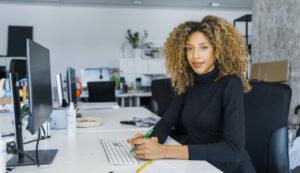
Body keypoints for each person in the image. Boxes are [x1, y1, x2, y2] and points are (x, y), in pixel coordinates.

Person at [127, 15, 256, 173]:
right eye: (189, 48)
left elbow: (233, 150)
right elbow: (166, 122)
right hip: (198, 165)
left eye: (204, 47)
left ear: (217, 50)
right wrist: (148, 141)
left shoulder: (231, 83)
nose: (195, 56)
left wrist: (164, 150)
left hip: (228, 168)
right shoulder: (189, 84)